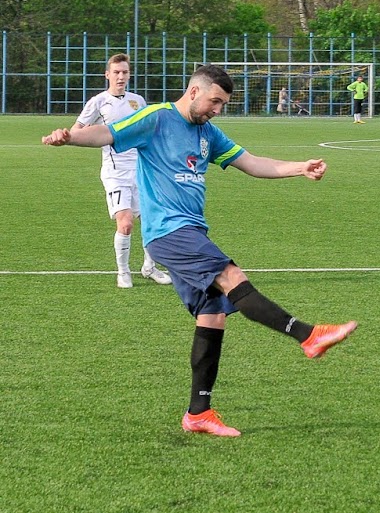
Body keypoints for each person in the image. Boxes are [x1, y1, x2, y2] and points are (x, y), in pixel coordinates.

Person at [43, 64, 358, 438]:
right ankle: (308, 336)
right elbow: (106, 134)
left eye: (222, 104)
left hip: (190, 230)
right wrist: (71, 137)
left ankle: (199, 413)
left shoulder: (208, 132)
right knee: (231, 276)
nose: (217, 110)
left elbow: (252, 163)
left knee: (212, 315)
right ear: (194, 91)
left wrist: (299, 167)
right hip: (168, 232)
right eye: (214, 101)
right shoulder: (157, 118)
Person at [72, 53, 172, 289]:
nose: (120, 76)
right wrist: (87, 132)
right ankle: (123, 271)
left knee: (151, 220)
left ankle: (149, 267)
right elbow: (75, 131)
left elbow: (149, 132)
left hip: (141, 170)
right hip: (115, 172)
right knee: (125, 223)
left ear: (129, 75)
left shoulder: (137, 101)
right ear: (107, 75)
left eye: (124, 72)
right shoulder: (98, 102)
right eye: (116, 72)